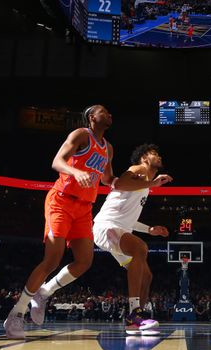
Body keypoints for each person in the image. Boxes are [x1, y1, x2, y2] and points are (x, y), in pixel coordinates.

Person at [4, 105, 116, 339]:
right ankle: (16, 313)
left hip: (85, 208)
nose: (109, 114)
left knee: (85, 261)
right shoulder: (81, 135)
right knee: (52, 259)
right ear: (91, 117)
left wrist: (143, 181)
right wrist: (76, 172)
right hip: (62, 201)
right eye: (103, 111)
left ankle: (44, 292)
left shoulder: (109, 148)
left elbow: (108, 179)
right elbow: (57, 161)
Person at [69, 143, 173, 334]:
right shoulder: (139, 170)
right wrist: (153, 183)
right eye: (153, 153)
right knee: (140, 249)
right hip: (106, 226)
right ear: (143, 158)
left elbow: (129, 220)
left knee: (147, 275)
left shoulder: (145, 185)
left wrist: (150, 229)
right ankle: (134, 314)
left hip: (119, 229)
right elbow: (119, 183)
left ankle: (136, 321)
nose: (158, 156)